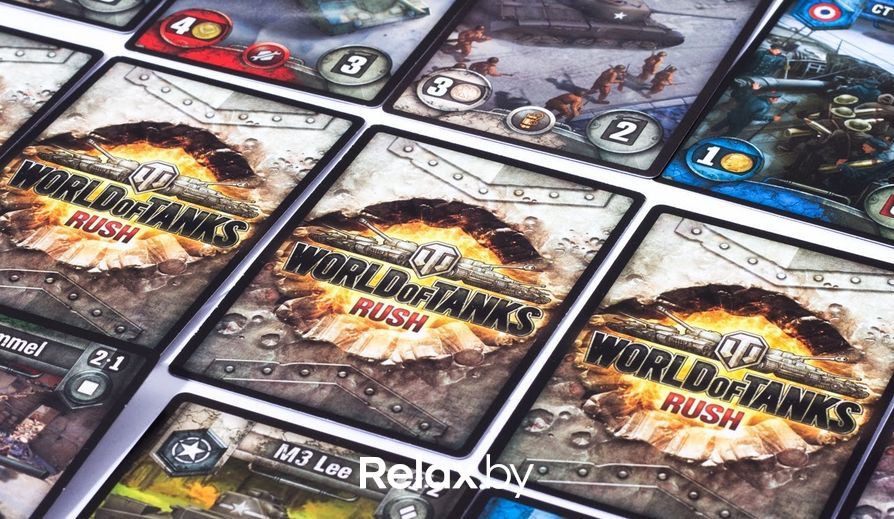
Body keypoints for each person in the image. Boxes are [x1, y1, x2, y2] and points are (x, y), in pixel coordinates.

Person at [710, 92, 782, 137]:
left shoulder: (755, 97)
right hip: (741, 121)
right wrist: (771, 118)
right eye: (776, 99)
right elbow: (756, 116)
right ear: (771, 98)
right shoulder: (765, 106)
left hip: (733, 115)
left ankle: (710, 131)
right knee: (731, 134)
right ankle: (716, 140)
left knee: (720, 125)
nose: (777, 100)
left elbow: (742, 100)